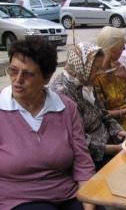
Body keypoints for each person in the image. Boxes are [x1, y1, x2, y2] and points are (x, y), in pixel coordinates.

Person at [0, 38, 95, 209]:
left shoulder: (66, 108)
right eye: (13, 71)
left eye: (27, 74)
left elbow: (83, 163)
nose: (17, 80)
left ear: (47, 77)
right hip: (18, 200)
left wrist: (90, 205)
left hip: (66, 194)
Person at [51, 42, 126, 170]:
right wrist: (119, 149)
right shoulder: (62, 93)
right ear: (81, 66)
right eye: (96, 69)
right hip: (94, 158)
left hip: (111, 141)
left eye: (100, 69)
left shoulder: (85, 82)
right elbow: (81, 143)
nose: (99, 74)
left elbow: (102, 114)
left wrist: (122, 133)